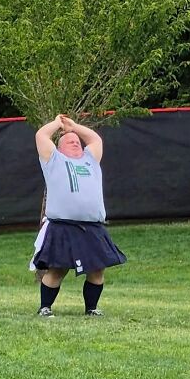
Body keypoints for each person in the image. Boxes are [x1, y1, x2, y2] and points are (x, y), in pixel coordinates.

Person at [32, 114, 126, 317]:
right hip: (63, 226)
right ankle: (45, 308)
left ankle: (91, 309)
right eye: (70, 141)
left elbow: (95, 140)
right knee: (57, 269)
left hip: (92, 226)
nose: (75, 143)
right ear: (59, 147)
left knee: (97, 270)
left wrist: (74, 126)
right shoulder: (53, 160)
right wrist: (58, 124)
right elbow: (41, 135)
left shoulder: (90, 159)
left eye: (77, 141)